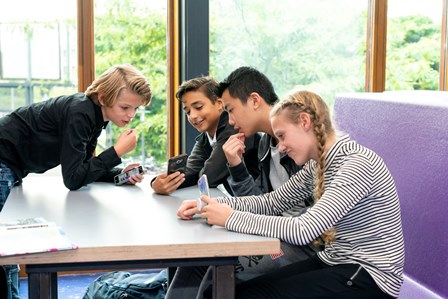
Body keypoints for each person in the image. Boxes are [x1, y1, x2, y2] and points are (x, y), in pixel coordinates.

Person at [177, 90, 405, 299]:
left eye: (283, 136)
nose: (282, 147)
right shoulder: (319, 164)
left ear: (305, 121)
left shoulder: (356, 164)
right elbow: (272, 202)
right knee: (228, 292)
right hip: (336, 260)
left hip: (370, 277)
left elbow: (304, 230)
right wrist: (210, 205)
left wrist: (229, 217)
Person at [0, 64, 152, 299]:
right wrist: (116, 151)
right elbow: (73, 179)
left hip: (12, 164)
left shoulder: (95, 116)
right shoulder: (80, 112)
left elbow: (82, 168)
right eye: (125, 107)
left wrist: (119, 174)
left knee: (8, 247)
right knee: (6, 248)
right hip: (3, 157)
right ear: (103, 98)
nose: (130, 115)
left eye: (135, 108)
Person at [164, 69, 313, 299]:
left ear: (254, 100)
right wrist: (235, 168)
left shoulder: (300, 147)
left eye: (231, 110)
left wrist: (230, 216)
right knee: (195, 262)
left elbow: (305, 227)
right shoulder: (265, 144)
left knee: (212, 273)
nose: (231, 121)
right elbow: (264, 201)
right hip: (271, 233)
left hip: (297, 244)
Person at [150, 76, 259, 195]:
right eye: (188, 112)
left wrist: (197, 174)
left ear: (219, 104)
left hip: (264, 204)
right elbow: (189, 172)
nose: (192, 116)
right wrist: (157, 183)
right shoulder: (206, 137)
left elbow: (209, 178)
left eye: (198, 107)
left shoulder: (235, 129)